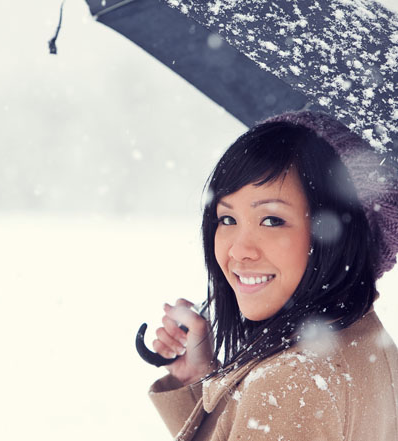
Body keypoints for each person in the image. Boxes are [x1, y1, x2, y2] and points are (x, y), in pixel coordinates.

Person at [149, 111, 398, 440]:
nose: (239, 250)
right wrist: (196, 380)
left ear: (336, 232)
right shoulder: (369, 347)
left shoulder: (290, 383)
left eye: (271, 220)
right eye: (226, 219)